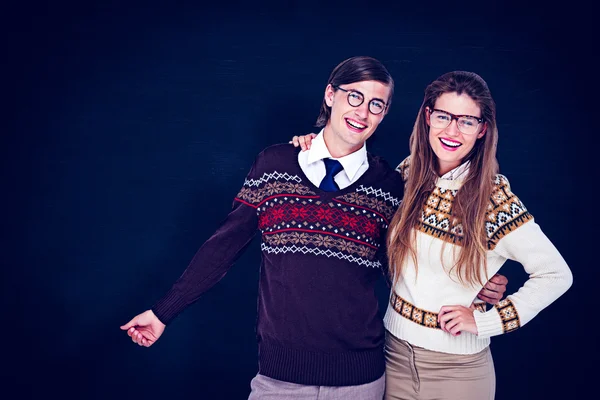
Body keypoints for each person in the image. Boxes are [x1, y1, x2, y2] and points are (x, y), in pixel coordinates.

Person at [121, 57, 506, 400]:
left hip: (362, 379)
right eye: (354, 96)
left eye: (377, 105)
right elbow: (223, 247)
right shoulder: (275, 165)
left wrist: (473, 284)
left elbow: (410, 263)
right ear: (330, 95)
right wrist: (163, 313)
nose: (363, 112)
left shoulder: (391, 186)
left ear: (384, 115)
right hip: (279, 380)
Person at [292, 70, 572, 400]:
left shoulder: (494, 200)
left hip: (458, 372)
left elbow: (556, 275)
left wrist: (486, 322)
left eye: (467, 121)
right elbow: (362, 226)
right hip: (392, 357)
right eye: (443, 116)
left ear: (482, 129)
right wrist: (314, 148)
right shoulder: (408, 174)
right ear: (428, 117)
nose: (452, 130)